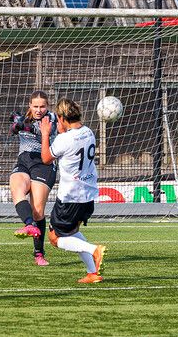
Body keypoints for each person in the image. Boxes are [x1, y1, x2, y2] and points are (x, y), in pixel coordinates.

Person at [39, 98, 106, 284]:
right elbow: (74, 142)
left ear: (61, 118)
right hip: (88, 196)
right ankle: (93, 273)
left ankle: (94, 250)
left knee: (55, 238)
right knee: (72, 233)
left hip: (70, 198)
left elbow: (45, 158)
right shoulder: (89, 132)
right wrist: (63, 131)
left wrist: (45, 134)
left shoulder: (64, 139)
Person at [9, 90, 57, 266]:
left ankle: (39, 253)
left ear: (47, 106)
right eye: (35, 106)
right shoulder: (24, 116)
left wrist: (24, 126)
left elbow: (40, 132)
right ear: (30, 105)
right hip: (24, 160)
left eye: (42, 106)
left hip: (43, 163)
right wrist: (16, 124)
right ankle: (29, 225)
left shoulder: (51, 119)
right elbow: (13, 129)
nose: (39, 110)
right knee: (17, 189)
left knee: (37, 209)